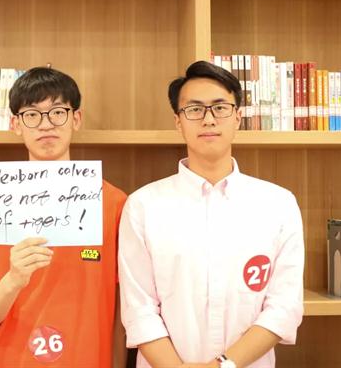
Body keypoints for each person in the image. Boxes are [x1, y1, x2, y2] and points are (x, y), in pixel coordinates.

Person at [118, 61, 304, 368]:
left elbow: (283, 308)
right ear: (178, 122)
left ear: (238, 117)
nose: (208, 119)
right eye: (194, 109)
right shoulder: (143, 206)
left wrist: (224, 365)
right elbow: (139, 309)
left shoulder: (278, 204)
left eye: (220, 108)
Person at [0, 67, 128, 367]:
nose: (45, 124)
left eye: (57, 112)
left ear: (76, 119)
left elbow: (123, 310)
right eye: (32, 114)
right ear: (16, 124)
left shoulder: (115, 205)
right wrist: (14, 279)